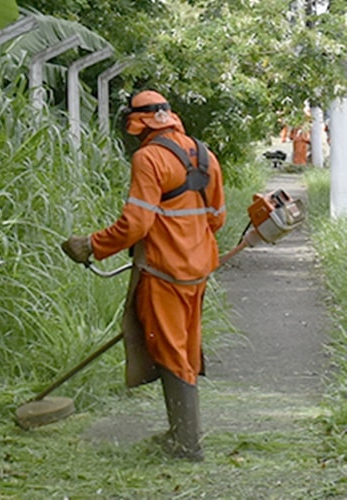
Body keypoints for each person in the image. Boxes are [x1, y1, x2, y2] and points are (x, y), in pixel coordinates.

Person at [61, 90, 226, 461]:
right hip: (197, 271)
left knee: (171, 353)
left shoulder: (148, 158)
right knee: (184, 347)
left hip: (165, 271)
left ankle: (186, 444)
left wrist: (91, 245)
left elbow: (134, 225)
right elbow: (217, 218)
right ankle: (181, 434)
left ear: (139, 125)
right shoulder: (205, 154)